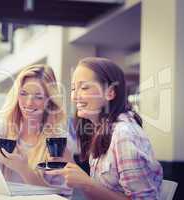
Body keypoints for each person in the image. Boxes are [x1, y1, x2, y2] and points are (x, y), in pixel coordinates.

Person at [47, 57, 163, 199]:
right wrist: (69, 163)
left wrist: (87, 183)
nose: (74, 96)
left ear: (110, 92)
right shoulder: (99, 131)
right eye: (73, 88)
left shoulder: (123, 134)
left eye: (84, 87)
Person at [0, 64, 71, 193]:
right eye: (23, 93)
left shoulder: (58, 141)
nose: (29, 103)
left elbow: (62, 196)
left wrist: (23, 169)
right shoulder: (3, 127)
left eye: (38, 97)